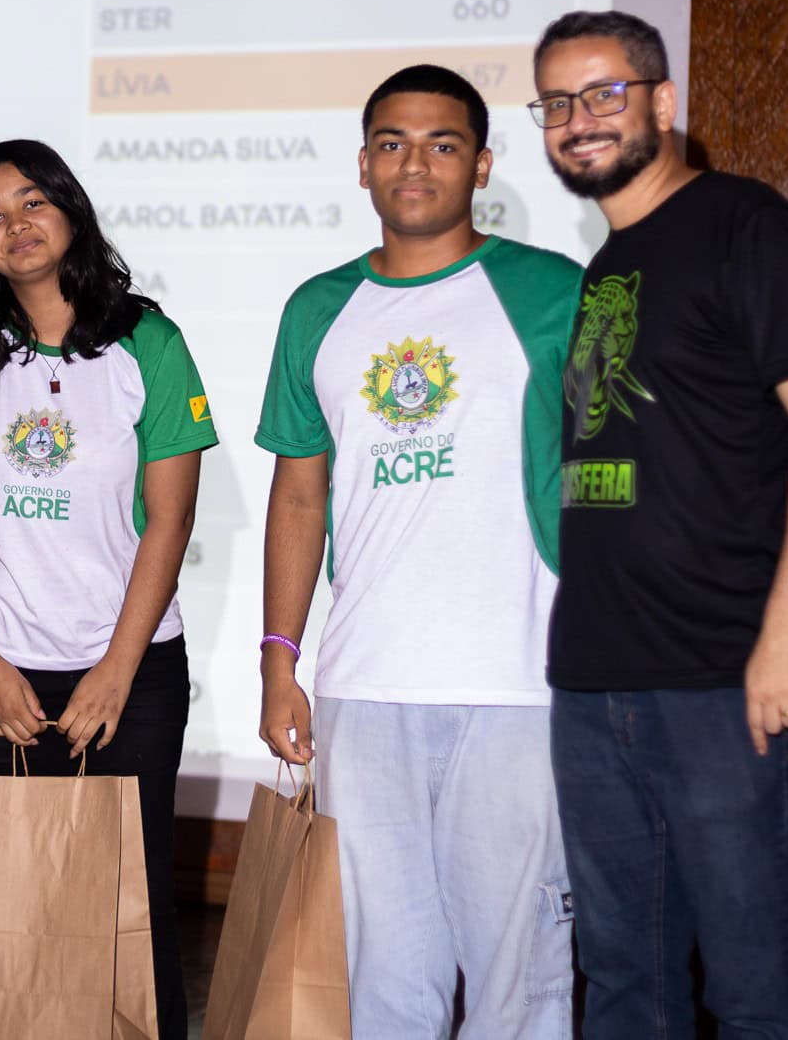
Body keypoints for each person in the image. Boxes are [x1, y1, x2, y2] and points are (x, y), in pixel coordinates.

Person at [532, 10, 788, 1038]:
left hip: (725, 679)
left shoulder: (741, 225)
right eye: (556, 102)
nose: (578, 119)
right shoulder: (609, 263)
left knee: (753, 989)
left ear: (663, 102)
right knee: (621, 982)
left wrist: (786, 632)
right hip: (593, 681)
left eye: (603, 93)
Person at [256, 65, 583, 1037]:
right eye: (392, 143)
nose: (414, 163)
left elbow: (620, 471)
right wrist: (278, 662)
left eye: (442, 143)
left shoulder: (553, 294)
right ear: (362, 164)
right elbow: (297, 494)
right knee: (383, 974)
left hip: (517, 684)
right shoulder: (316, 309)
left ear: (481, 165)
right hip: (363, 687)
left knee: (519, 975)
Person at [0, 139, 216, 1039]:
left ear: (70, 212)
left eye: (32, 202)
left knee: (132, 908)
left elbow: (170, 520)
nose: (15, 224)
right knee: (22, 913)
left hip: (131, 674)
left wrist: (116, 672)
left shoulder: (148, 342)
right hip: (2, 678)